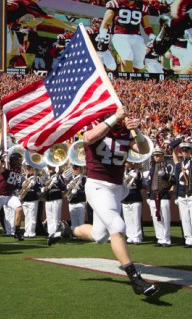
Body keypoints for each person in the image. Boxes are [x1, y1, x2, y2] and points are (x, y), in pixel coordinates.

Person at [50, 106, 158, 296]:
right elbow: (89, 138)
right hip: (97, 185)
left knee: (100, 235)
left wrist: (138, 132)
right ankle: (135, 279)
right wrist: (115, 118)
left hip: (116, 189)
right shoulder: (95, 125)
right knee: (117, 227)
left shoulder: (125, 131)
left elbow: (144, 150)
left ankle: (66, 229)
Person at [98, 0, 154, 73]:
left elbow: (146, 24)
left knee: (139, 64)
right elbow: (106, 22)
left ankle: (134, 81)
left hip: (137, 37)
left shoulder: (141, 7)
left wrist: (151, 35)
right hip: (119, 35)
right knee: (127, 56)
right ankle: (126, 79)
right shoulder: (115, 4)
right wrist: (102, 36)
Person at [174, 142, 192, 249]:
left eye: (187, 151)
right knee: (185, 218)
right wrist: (176, 195)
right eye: (183, 151)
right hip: (182, 193)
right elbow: (177, 181)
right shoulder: (179, 165)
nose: (185, 153)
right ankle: (188, 239)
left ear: (190, 151)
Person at [143, 146, 175, 247]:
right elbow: (149, 181)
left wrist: (165, 176)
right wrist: (148, 194)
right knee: (156, 217)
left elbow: (173, 180)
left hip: (164, 193)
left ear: (162, 155)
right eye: (155, 156)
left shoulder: (168, 165)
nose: (156, 157)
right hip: (153, 194)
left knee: (165, 216)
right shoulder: (152, 167)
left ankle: (166, 238)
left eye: (158, 155)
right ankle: (160, 238)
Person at [121, 161, 143, 245]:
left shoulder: (137, 172)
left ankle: (137, 236)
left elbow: (141, 185)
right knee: (127, 219)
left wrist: (137, 177)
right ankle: (130, 236)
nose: (126, 164)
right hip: (125, 198)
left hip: (135, 197)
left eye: (127, 162)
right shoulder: (122, 172)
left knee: (136, 219)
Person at [44, 167, 66, 246]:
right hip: (48, 199)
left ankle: (56, 235)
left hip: (56, 198)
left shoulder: (58, 176)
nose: (49, 168)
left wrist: (57, 182)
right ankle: (50, 234)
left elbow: (64, 187)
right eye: (48, 166)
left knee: (56, 218)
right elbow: (43, 186)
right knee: (49, 218)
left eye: (51, 166)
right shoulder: (46, 176)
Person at [20, 164, 42, 238]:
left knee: (32, 216)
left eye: (30, 168)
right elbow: (19, 187)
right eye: (27, 168)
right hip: (25, 199)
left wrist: (34, 185)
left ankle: (32, 232)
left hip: (33, 199)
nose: (28, 170)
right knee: (27, 216)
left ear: (33, 169)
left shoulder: (37, 178)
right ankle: (27, 231)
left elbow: (40, 188)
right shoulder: (23, 178)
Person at [66, 164, 87, 235]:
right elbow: (67, 190)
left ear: (80, 169)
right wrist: (68, 187)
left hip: (80, 202)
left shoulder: (84, 178)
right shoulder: (71, 178)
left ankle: (81, 235)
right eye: (73, 168)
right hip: (72, 202)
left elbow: (86, 191)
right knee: (73, 221)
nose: (74, 170)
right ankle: (75, 235)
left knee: (80, 221)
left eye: (76, 168)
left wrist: (78, 191)